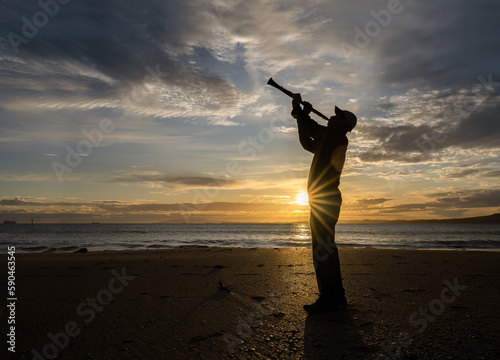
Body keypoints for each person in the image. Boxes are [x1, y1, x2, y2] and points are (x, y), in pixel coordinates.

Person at [291, 93, 357, 314]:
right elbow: (306, 142)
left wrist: (301, 113)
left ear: (345, 126)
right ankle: (335, 298)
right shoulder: (329, 139)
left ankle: (331, 299)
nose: (332, 116)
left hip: (326, 200)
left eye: (338, 117)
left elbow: (314, 130)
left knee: (323, 248)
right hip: (322, 200)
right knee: (324, 247)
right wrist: (300, 116)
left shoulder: (337, 138)